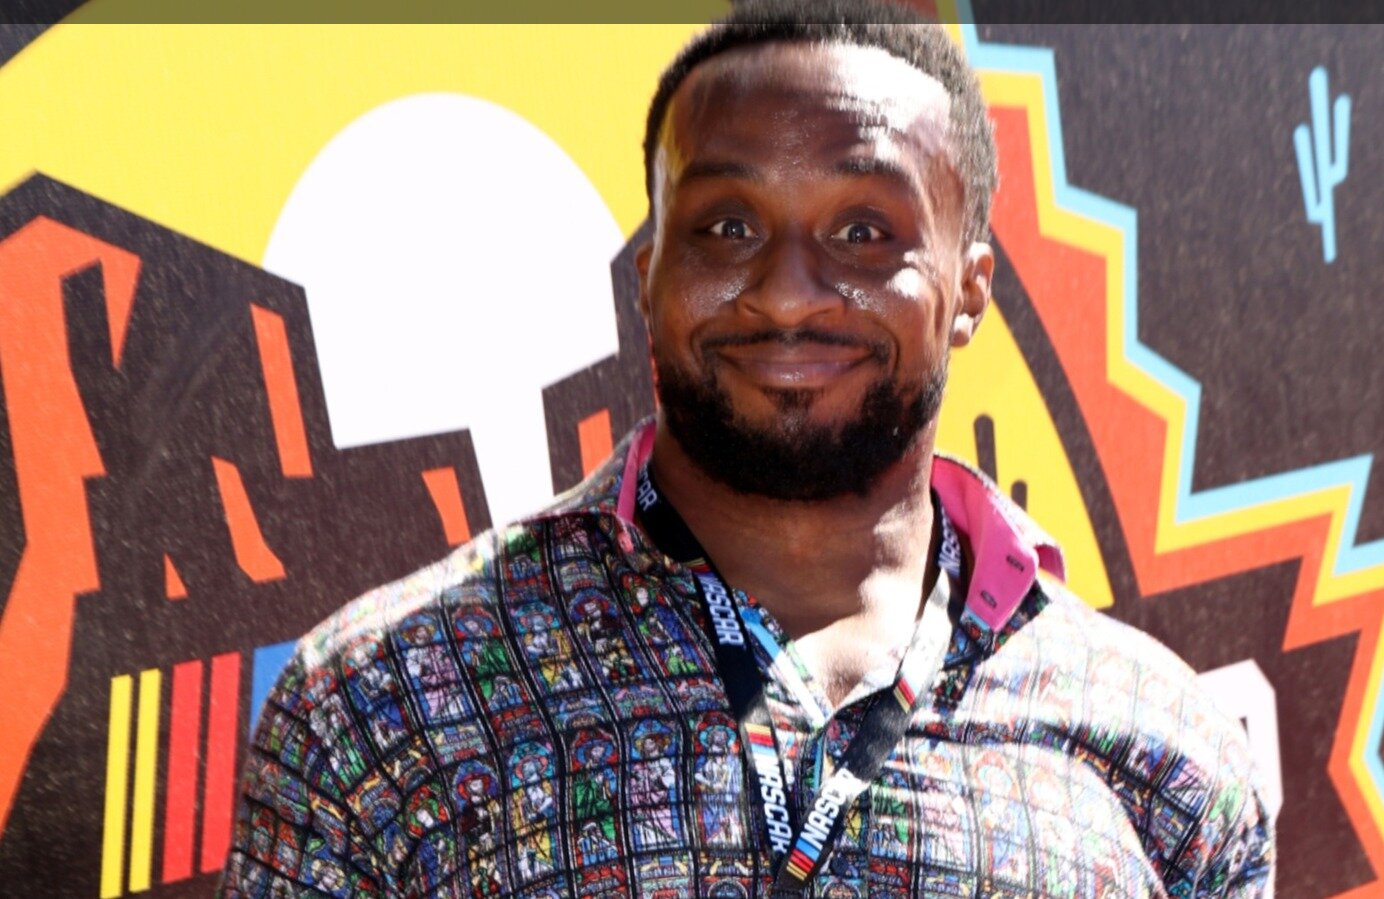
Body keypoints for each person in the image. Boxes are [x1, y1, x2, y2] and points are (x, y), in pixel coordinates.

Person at [220, 2, 1274, 896]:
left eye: (863, 231)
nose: (786, 293)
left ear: (969, 289)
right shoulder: (381, 703)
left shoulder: (1164, 748)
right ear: (646, 275)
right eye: (727, 227)